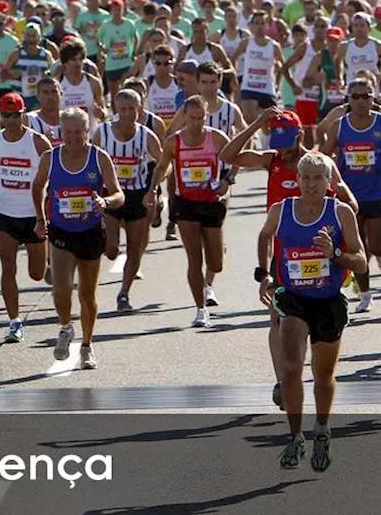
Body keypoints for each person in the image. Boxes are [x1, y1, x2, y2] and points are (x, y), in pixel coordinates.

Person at [223, 108, 357, 410]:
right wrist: (257, 123)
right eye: (277, 140)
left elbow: (352, 204)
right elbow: (227, 156)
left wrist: (336, 214)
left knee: (315, 321)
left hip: (317, 252)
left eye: (287, 140)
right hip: (282, 251)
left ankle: (306, 374)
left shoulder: (318, 165)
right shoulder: (271, 159)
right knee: (276, 316)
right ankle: (284, 380)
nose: (282, 148)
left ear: (299, 135)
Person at [257, 151, 368, 471]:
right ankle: (294, 436)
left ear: (329, 182)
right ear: (298, 180)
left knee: (323, 375)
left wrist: (334, 254)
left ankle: (321, 430)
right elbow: (265, 236)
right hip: (293, 297)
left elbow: (360, 261)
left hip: (328, 301)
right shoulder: (282, 209)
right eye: (305, 177)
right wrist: (263, 273)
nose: (310, 184)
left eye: (318, 178)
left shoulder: (341, 212)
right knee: (292, 366)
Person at [32, 107, 125, 369]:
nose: (73, 137)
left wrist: (104, 201)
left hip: (91, 232)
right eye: (68, 132)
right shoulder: (51, 157)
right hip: (61, 231)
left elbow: (119, 194)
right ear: (62, 132)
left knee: (87, 295)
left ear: (87, 132)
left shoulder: (99, 157)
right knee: (60, 287)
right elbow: (38, 186)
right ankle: (65, 327)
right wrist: (40, 218)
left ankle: (86, 345)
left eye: (78, 132)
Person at [151, 95, 234, 327]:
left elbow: (236, 156)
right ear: (184, 117)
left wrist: (228, 180)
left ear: (206, 117)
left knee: (216, 263)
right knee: (194, 258)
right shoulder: (173, 142)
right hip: (185, 203)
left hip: (211, 202)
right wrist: (152, 190)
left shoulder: (216, 138)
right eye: (191, 118)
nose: (196, 123)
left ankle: (216, 257)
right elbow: (162, 167)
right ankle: (200, 309)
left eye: (200, 118)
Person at [321, 78, 381, 299]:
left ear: (373, 98)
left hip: (378, 193)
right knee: (358, 248)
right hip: (350, 196)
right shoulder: (339, 126)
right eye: (355, 97)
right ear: (348, 99)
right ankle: (365, 294)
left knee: (375, 246)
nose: (360, 101)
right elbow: (323, 155)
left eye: (365, 96)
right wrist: (331, 176)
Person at [0, 92, 51, 343]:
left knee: (36, 274)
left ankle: (49, 256)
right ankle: (15, 322)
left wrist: (46, 212)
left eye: (14, 115)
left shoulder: (39, 143)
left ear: (23, 115)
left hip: (33, 214)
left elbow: (49, 180)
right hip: (5, 211)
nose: (10, 121)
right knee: (7, 264)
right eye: (5, 116)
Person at [94, 89, 163, 311]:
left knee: (135, 248)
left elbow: (164, 164)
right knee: (112, 249)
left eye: (131, 109)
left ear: (139, 109)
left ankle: (124, 293)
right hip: (112, 194)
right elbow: (90, 159)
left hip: (137, 194)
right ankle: (107, 238)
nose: (126, 114)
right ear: (115, 109)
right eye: (122, 109)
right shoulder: (103, 132)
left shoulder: (146, 135)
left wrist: (153, 189)